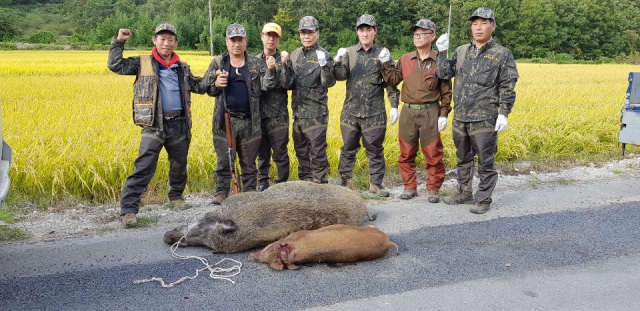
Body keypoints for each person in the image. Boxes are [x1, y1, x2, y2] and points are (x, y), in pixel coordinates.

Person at [108, 23, 210, 226]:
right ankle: (129, 210)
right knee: (144, 166)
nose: (166, 42)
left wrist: (215, 79)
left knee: (179, 165)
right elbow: (115, 65)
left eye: (170, 39)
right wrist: (119, 42)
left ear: (175, 42)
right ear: (154, 40)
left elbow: (198, 86)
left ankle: (176, 197)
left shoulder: (182, 67)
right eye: (162, 39)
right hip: (153, 123)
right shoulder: (143, 62)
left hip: (179, 123)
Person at [435, 7, 519, 214]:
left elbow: (507, 85)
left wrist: (503, 113)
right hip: (461, 116)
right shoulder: (462, 50)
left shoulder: (502, 54)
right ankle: (464, 192)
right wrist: (442, 52)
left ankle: (483, 199)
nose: (478, 27)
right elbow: (445, 73)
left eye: (483, 23)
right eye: (474, 23)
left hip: (485, 118)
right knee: (462, 157)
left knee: (485, 159)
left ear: (493, 25)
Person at [380, 19, 452, 203]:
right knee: (406, 152)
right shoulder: (405, 59)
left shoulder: (439, 61)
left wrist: (443, 114)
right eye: (415, 34)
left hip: (430, 112)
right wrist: (386, 63)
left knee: (433, 153)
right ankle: (409, 186)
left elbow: (446, 90)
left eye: (423, 33)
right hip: (408, 112)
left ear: (433, 36)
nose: (418, 37)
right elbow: (393, 80)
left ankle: (433, 188)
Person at [204, 23, 276, 204]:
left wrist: (271, 70)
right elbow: (206, 87)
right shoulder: (218, 63)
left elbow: (267, 86)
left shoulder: (256, 63)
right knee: (224, 160)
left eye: (240, 40)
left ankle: (249, 193)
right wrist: (215, 83)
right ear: (227, 42)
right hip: (224, 120)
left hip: (250, 122)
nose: (237, 44)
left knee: (249, 162)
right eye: (233, 40)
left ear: (245, 41)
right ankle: (222, 192)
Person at [333, 14, 399, 197]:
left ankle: (376, 184)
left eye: (368, 29)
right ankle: (346, 183)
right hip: (351, 112)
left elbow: (391, 82)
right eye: (361, 29)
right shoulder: (349, 53)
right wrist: (337, 61)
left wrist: (394, 106)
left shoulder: (383, 54)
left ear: (375, 31)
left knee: (375, 149)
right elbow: (340, 76)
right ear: (357, 32)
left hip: (374, 112)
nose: (365, 33)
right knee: (348, 148)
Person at [285, 16, 336, 184]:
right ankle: (305, 182)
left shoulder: (324, 55)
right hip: (298, 112)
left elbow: (328, 83)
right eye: (303, 32)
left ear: (317, 34)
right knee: (300, 150)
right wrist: (283, 66)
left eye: (310, 32)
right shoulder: (295, 54)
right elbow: (289, 83)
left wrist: (324, 66)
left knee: (317, 151)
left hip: (316, 113)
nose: (306, 36)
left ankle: (320, 181)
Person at [256, 22, 294, 191]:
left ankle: (282, 185)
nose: (271, 39)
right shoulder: (253, 61)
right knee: (262, 152)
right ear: (262, 36)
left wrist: (282, 65)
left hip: (278, 116)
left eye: (275, 36)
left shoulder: (285, 59)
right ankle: (263, 182)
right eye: (268, 35)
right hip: (258, 115)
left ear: (278, 39)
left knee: (280, 152)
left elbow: (288, 84)